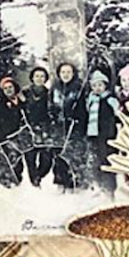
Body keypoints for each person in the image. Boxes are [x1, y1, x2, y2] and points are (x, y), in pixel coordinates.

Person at [85, 70, 121, 197]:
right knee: (96, 161)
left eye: (100, 85)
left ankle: (110, 188)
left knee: (107, 160)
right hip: (93, 134)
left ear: (105, 85)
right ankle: (99, 185)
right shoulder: (91, 100)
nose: (97, 88)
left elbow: (117, 113)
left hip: (107, 135)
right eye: (94, 85)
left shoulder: (109, 99)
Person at [51, 61, 86, 191]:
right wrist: (53, 118)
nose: (66, 75)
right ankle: (60, 181)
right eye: (63, 72)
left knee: (74, 155)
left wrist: (78, 120)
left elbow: (83, 109)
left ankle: (74, 182)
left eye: (68, 72)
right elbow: (50, 105)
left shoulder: (79, 87)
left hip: (74, 127)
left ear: (73, 73)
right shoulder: (55, 88)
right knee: (59, 155)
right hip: (59, 128)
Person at [0, 76, 26, 188]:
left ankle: (17, 181)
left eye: (10, 87)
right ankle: (5, 183)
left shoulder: (21, 101)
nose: (8, 90)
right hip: (3, 137)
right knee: (3, 160)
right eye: (5, 88)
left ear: (15, 88)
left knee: (17, 160)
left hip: (17, 136)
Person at [22, 66, 55, 188]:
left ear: (46, 79)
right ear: (32, 78)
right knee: (30, 158)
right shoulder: (25, 92)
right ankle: (34, 183)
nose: (39, 78)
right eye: (37, 76)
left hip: (45, 129)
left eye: (42, 76)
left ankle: (39, 175)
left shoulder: (49, 93)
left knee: (47, 159)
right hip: (29, 128)